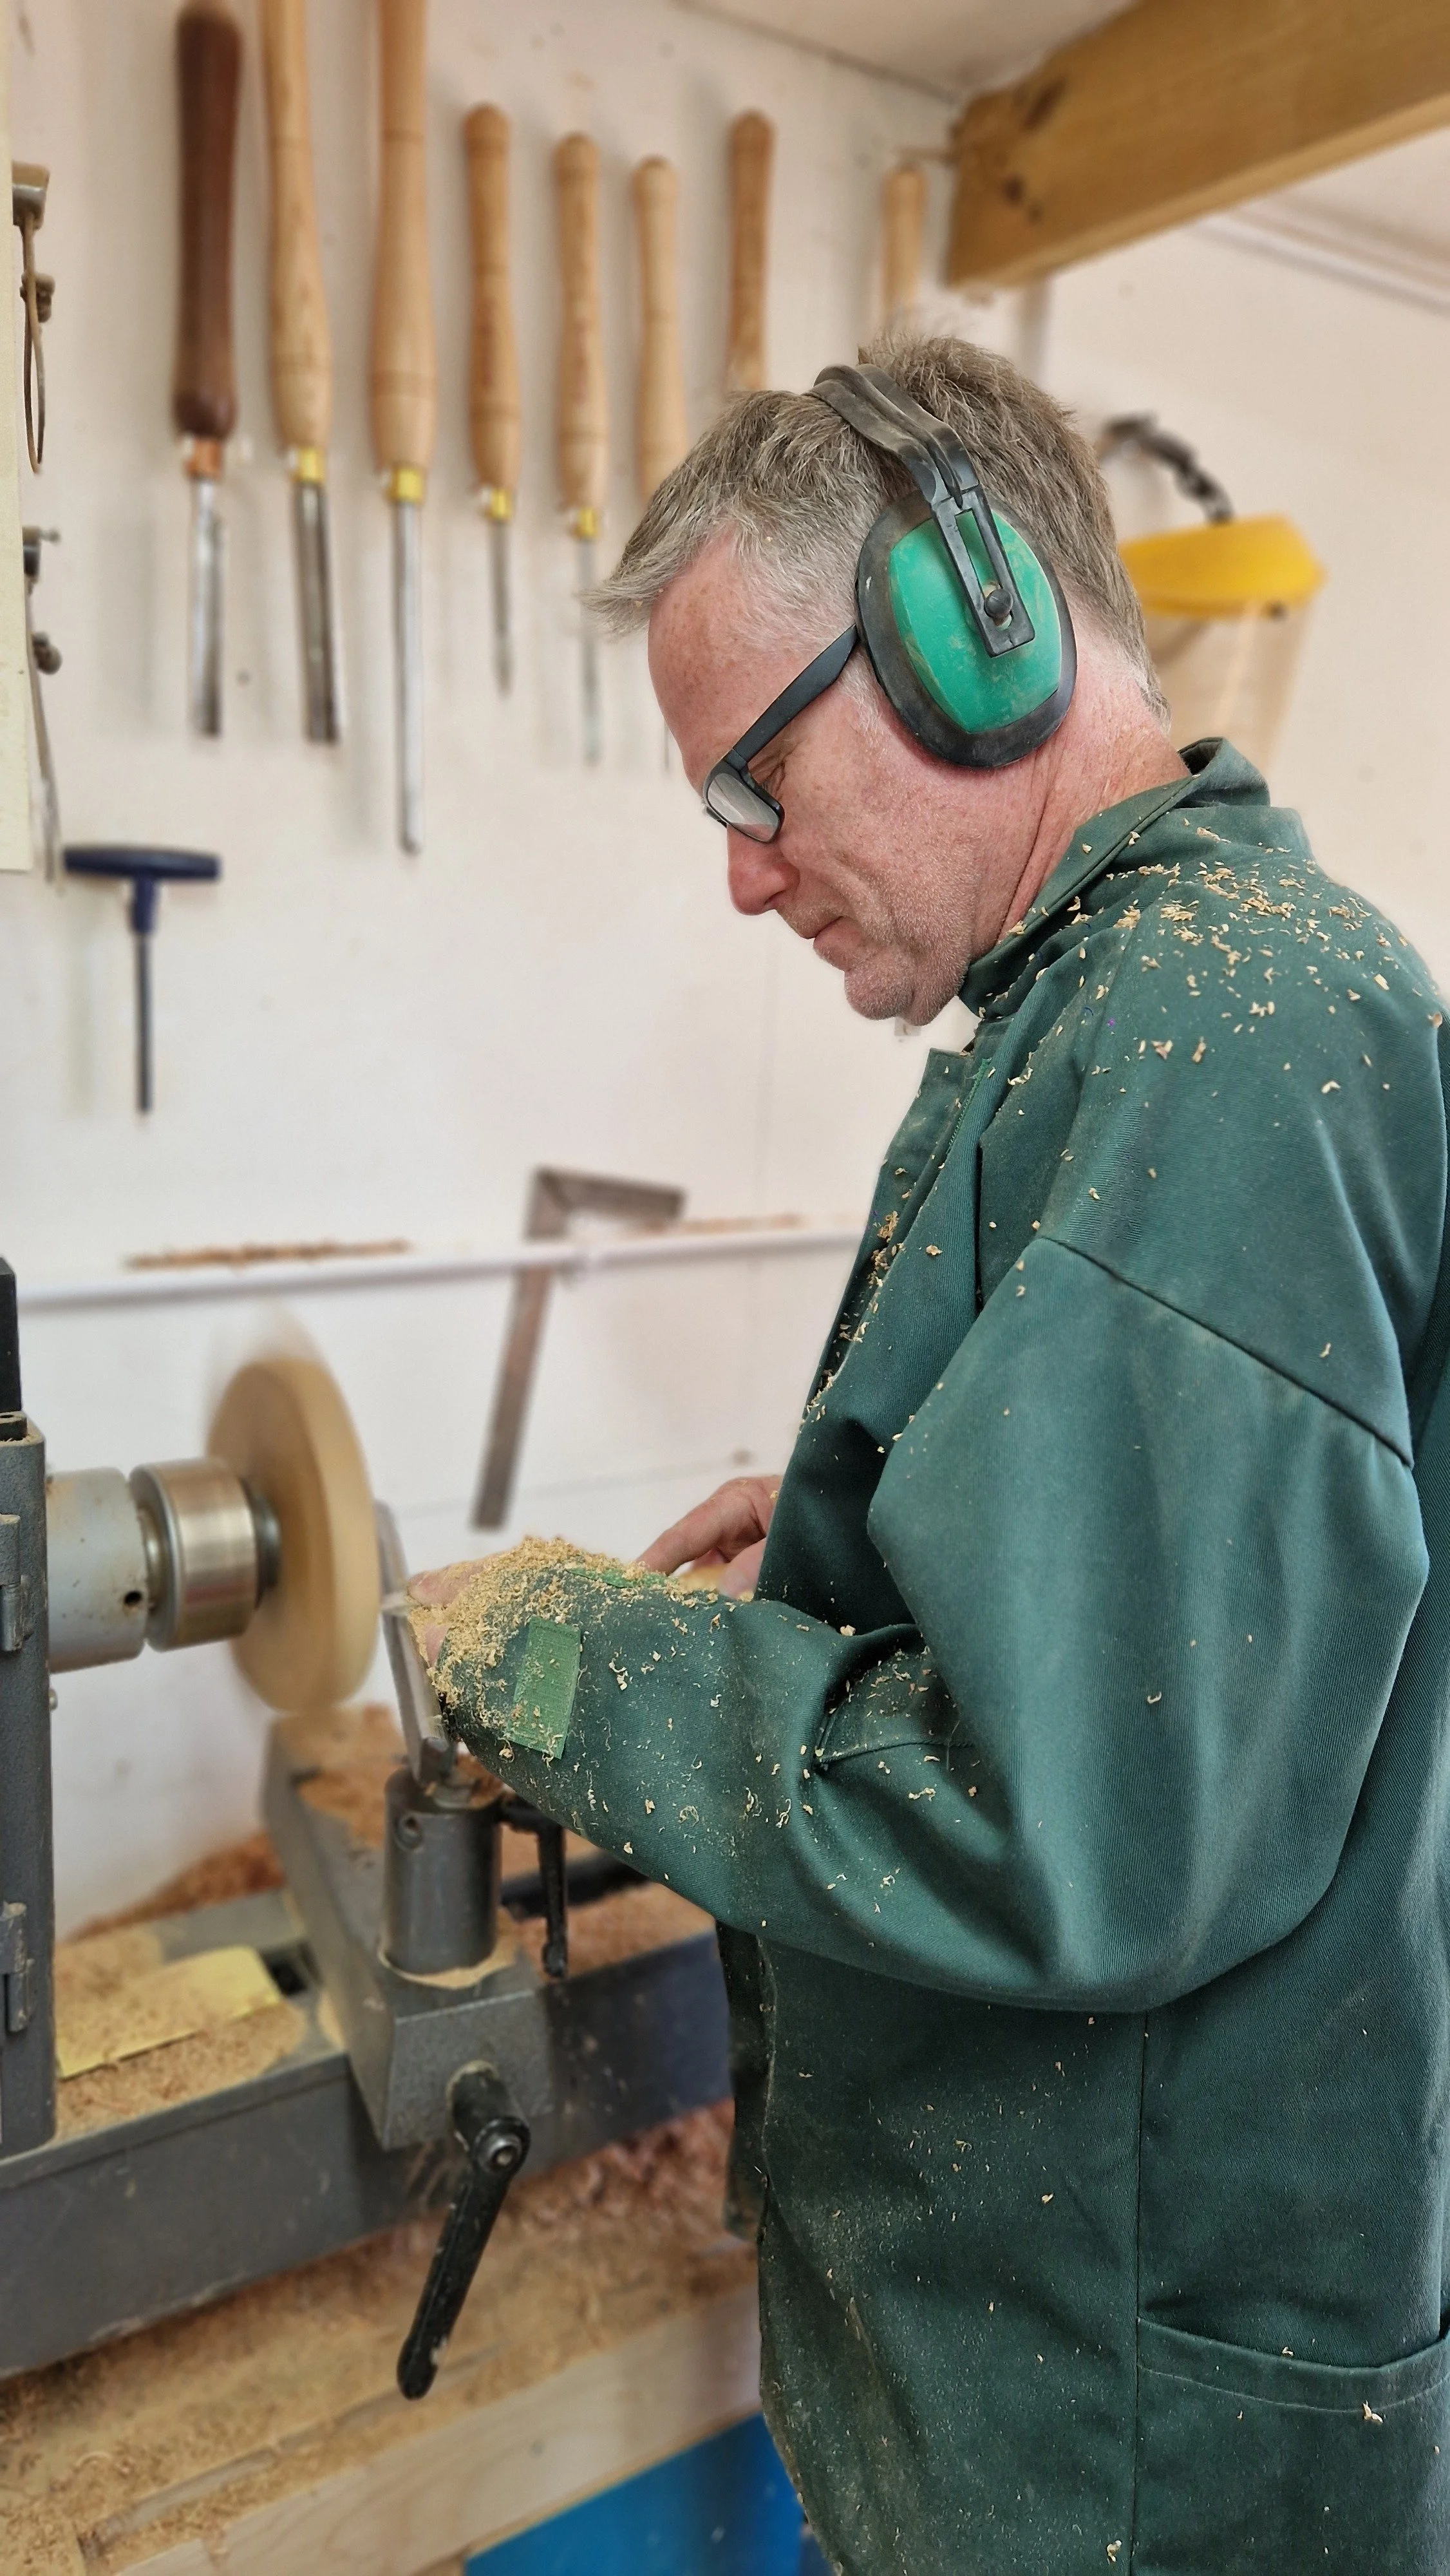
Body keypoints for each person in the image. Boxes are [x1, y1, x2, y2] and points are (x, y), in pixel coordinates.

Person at [412, 336, 1450, 2573]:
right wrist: (834, 1558)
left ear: (974, 645)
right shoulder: (1116, 1002)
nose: (744, 878)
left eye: (747, 791)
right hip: (1074, 2364)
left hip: (1126, 2435)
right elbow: (1182, 1606)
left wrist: (584, 1661)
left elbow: (1077, 1821)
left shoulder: (1208, 1040)